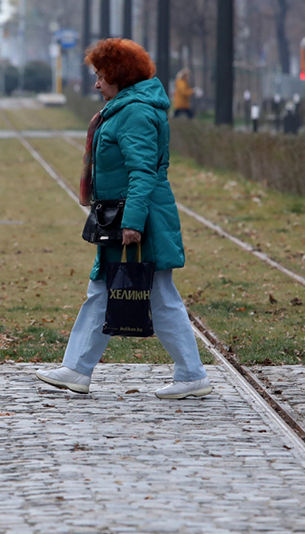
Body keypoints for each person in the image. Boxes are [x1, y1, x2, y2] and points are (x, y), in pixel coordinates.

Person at [36, 39, 212, 400]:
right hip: (125, 216)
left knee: (156, 295)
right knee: (105, 289)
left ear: (119, 77)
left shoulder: (133, 113)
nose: (96, 84)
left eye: (101, 77)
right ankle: (78, 370)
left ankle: (191, 374)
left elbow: (143, 172)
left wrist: (132, 223)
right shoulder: (126, 108)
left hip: (139, 219)